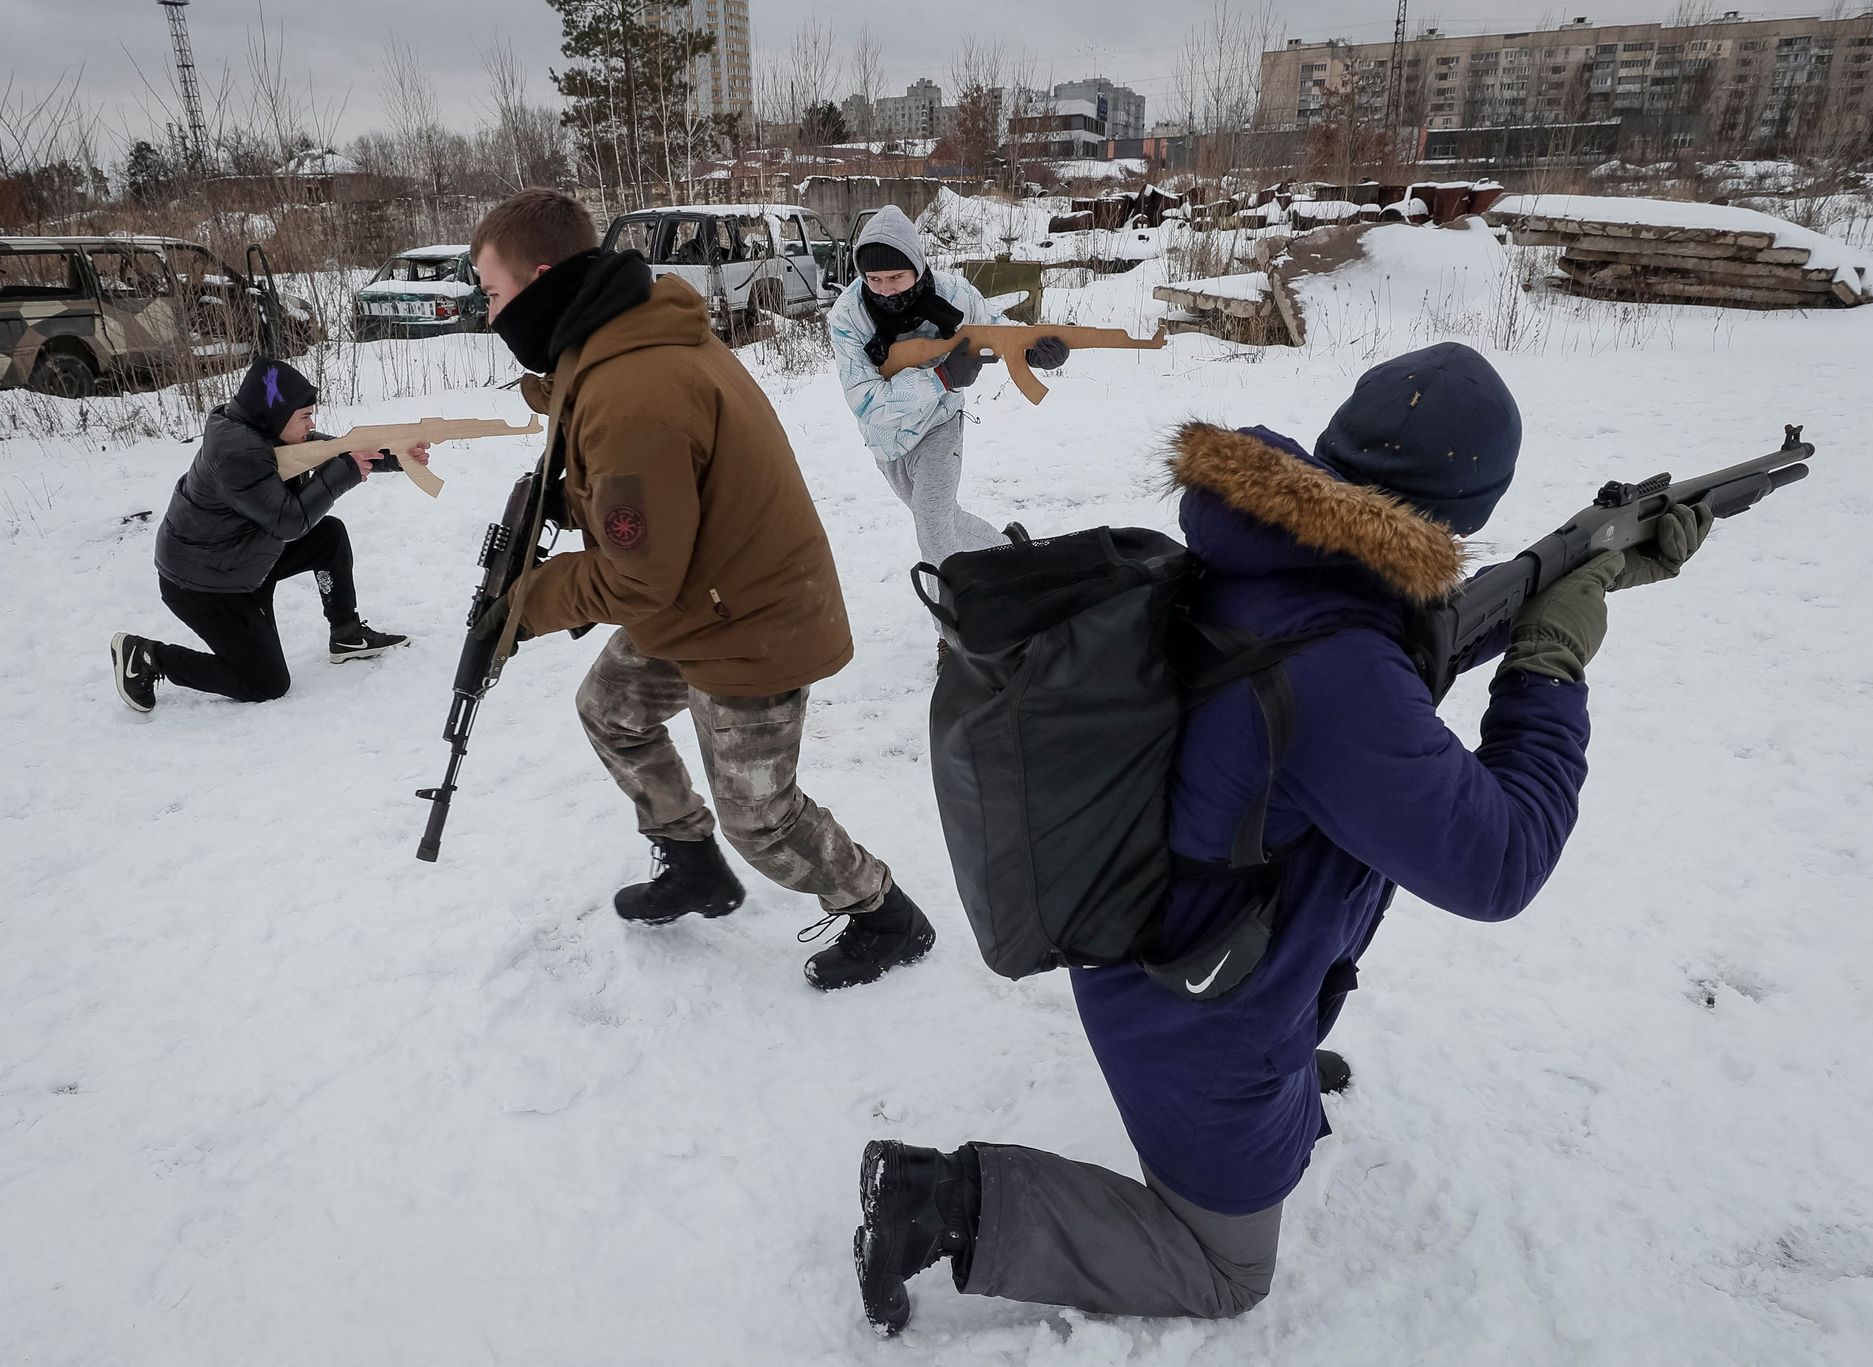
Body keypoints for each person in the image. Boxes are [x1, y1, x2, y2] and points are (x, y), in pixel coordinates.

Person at [851, 342, 1714, 1334]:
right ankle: (941, 1202)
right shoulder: (1337, 669)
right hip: (1193, 1003)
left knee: (1288, 1045)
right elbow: (1497, 861)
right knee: (1222, 1272)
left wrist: (1572, 564)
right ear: (1461, 512)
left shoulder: (1279, 546)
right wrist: (1551, 657)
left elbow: (1399, 635)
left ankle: (1286, 1082)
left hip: (1177, 927)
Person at [470, 187, 935, 991]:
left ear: (542, 277)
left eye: (493, 293)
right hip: (703, 596)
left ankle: (883, 910)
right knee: (610, 710)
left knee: (762, 820)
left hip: (750, 624)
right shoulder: (613, 340)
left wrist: (526, 604)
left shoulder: (631, 389)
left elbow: (631, 574)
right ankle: (691, 864)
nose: (489, 315)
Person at [110, 356, 421, 712]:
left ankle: (346, 634)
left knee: (328, 536)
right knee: (266, 682)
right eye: (304, 416)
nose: (312, 423)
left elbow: (328, 450)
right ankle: (147, 656)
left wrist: (395, 457)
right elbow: (289, 522)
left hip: (239, 557)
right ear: (276, 415)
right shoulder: (236, 453)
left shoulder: (264, 432)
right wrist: (345, 473)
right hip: (203, 584)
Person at [827, 206, 1070, 593]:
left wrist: (1030, 350)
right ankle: (1009, 550)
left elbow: (995, 331)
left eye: (896, 277)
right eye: (874, 279)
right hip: (886, 439)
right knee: (943, 518)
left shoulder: (955, 295)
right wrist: (941, 377)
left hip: (940, 425)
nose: (885, 289)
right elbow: (866, 402)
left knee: (933, 525)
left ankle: (952, 632)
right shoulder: (848, 317)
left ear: (918, 267)